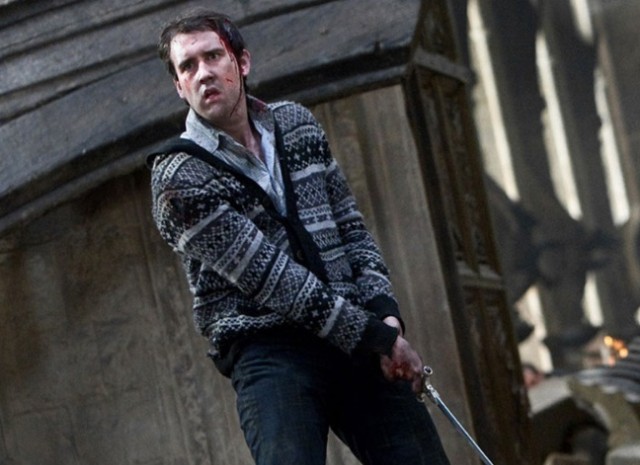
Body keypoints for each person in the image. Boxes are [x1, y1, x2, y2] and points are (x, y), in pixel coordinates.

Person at [148, 10, 450, 465]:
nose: (203, 73)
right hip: (271, 351)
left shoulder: (296, 125)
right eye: (187, 66)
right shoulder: (177, 178)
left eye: (213, 56)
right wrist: (376, 336)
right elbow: (272, 280)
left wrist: (386, 316)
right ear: (178, 86)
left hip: (356, 335)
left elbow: (351, 228)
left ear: (242, 62)